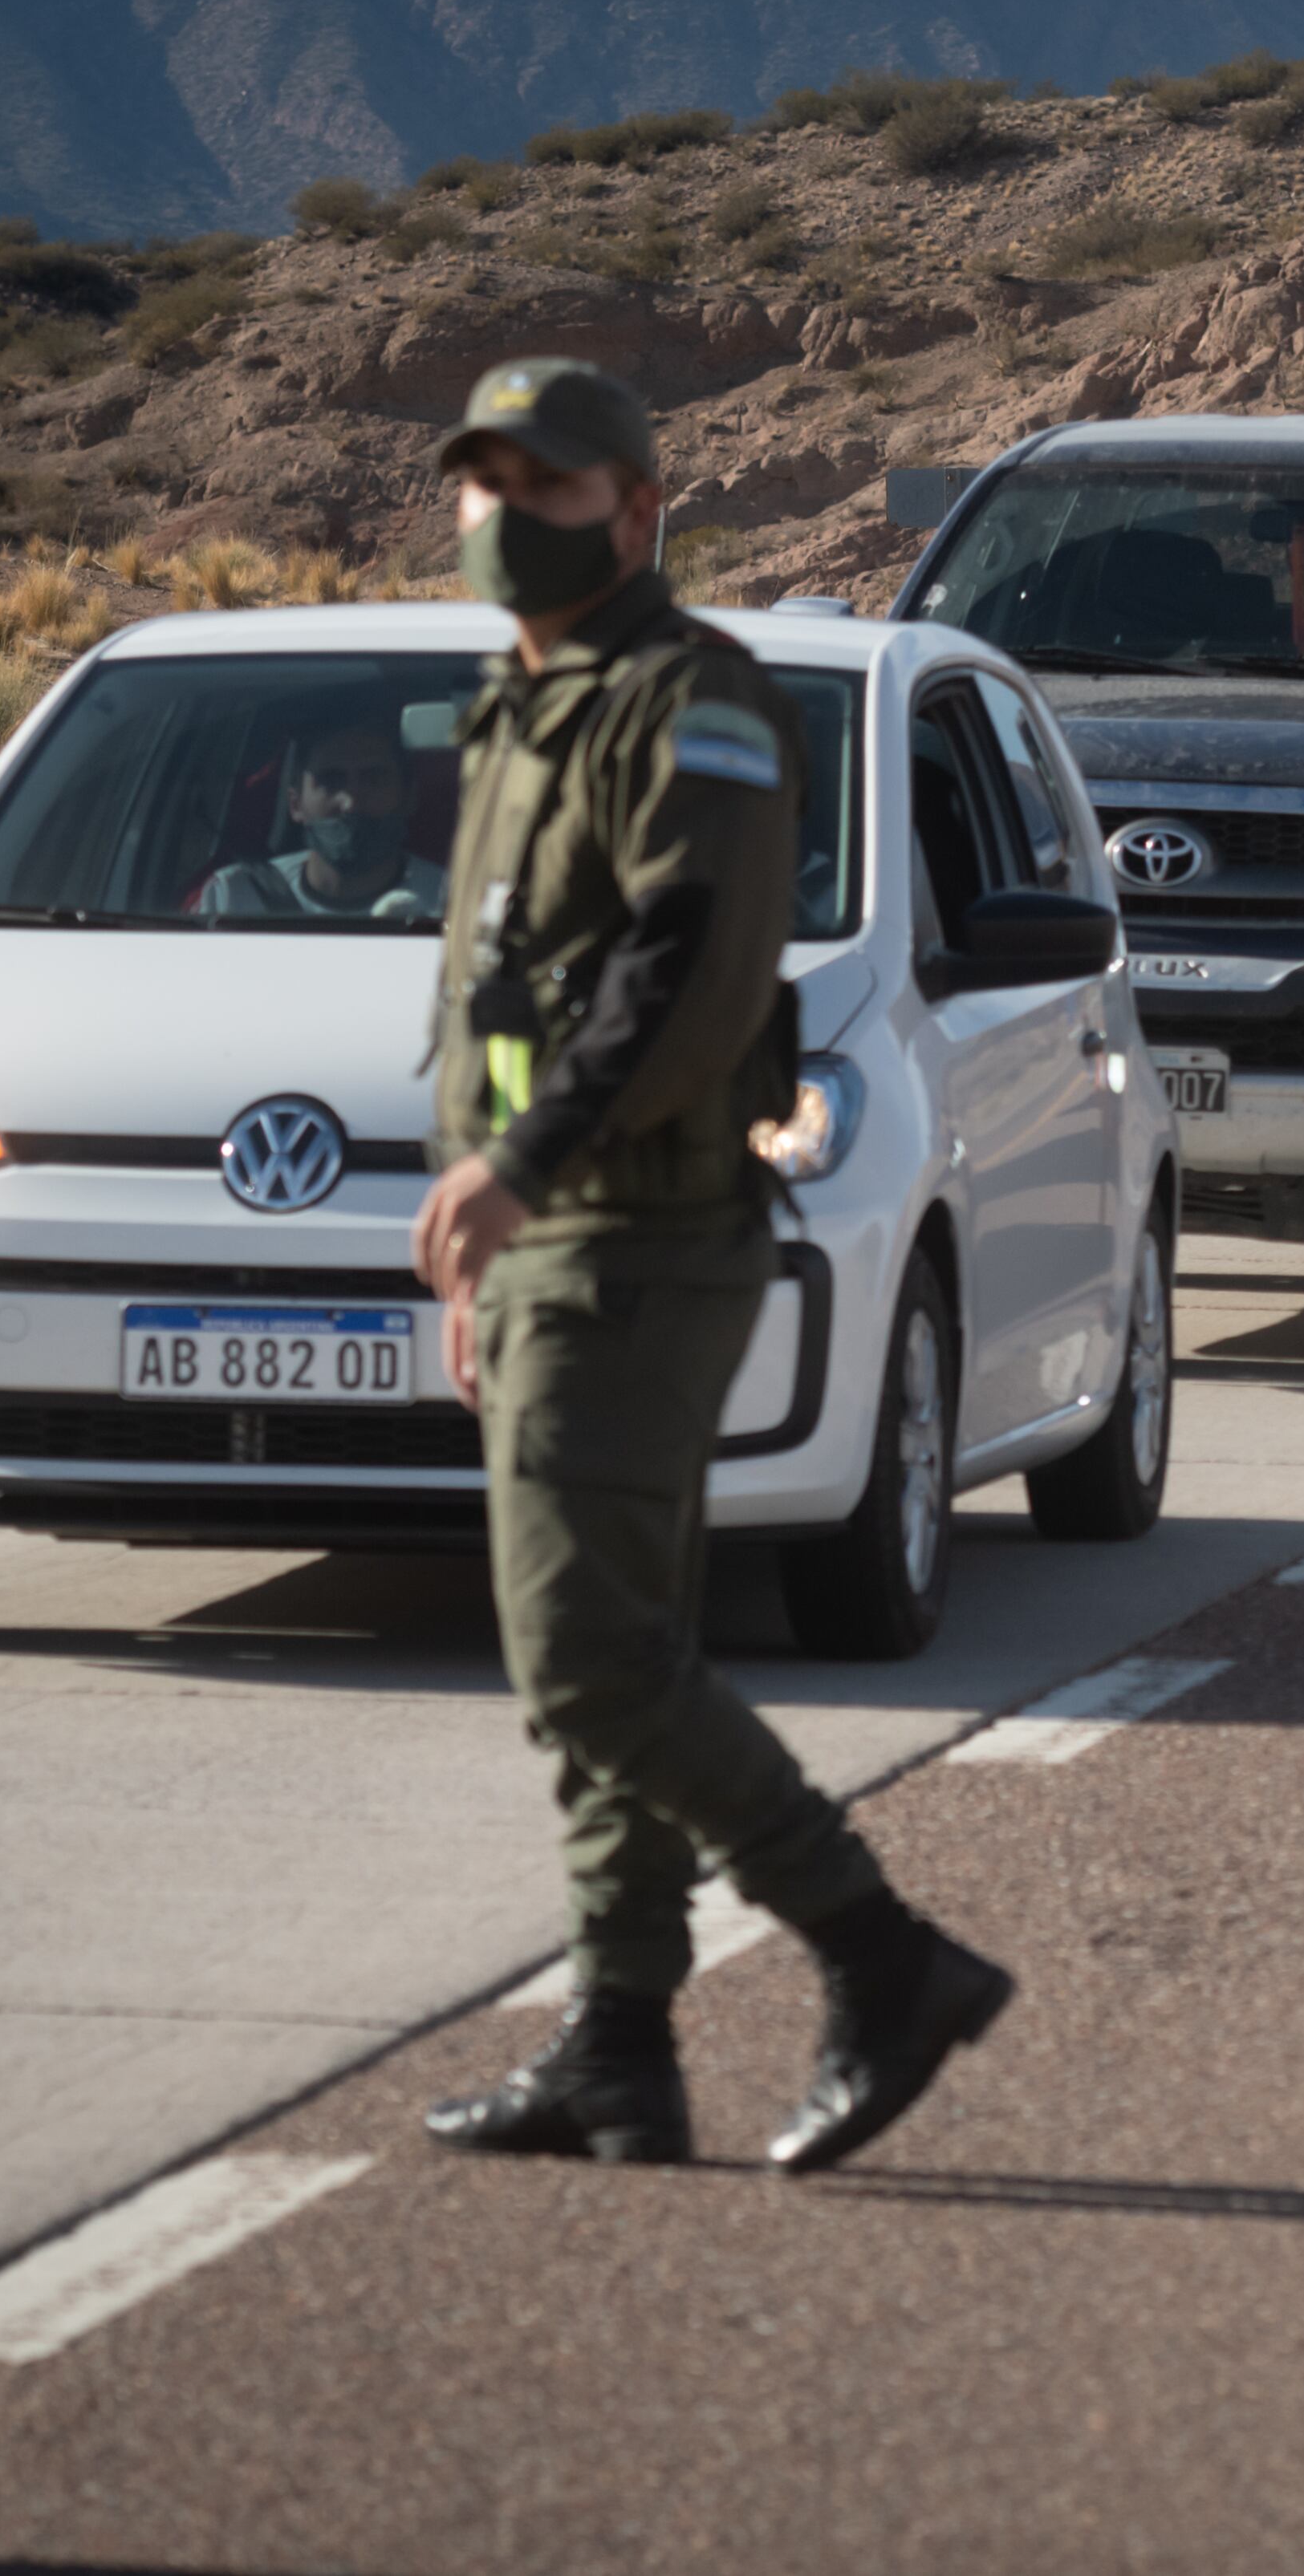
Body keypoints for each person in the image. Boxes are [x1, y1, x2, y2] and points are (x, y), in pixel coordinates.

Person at [406, 356, 1009, 2176]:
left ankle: (877, 1954)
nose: (512, 515)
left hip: (641, 1235)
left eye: (556, 485)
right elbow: (508, 1000)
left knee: (582, 1659)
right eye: (487, 481)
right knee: (627, 1651)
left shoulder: (695, 707)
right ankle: (618, 2042)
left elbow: (688, 975)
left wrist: (517, 1175)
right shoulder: (521, 712)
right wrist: (481, 1248)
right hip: (551, 1249)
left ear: (643, 509)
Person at [199, 719, 449, 919]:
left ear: (408, 798)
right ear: (296, 805)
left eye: (374, 780)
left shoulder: (455, 901)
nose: (350, 804)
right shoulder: (234, 896)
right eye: (331, 781)